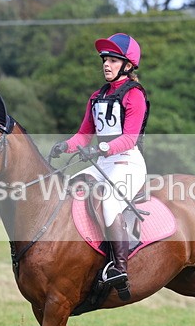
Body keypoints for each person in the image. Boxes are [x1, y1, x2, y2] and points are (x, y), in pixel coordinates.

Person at [50, 33, 149, 292]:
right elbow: (83, 136)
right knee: (66, 189)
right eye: (105, 59)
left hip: (128, 162)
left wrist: (101, 148)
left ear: (128, 65)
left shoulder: (134, 95)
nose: (106, 64)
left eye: (113, 60)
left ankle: (120, 267)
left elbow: (129, 139)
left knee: (109, 201)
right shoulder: (97, 96)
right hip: (103, 162)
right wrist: (65, 146)